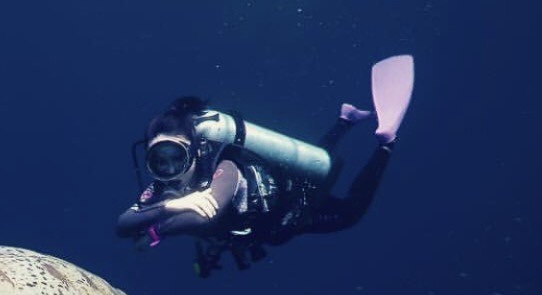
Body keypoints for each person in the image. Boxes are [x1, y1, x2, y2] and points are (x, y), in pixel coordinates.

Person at [116, 55, 415, 277]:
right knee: (318, 167)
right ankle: (345, 120)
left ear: (194, 151)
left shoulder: (226, 167)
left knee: (348, 212)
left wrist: (157, 227)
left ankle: (385, 142)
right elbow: (123, 224)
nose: (170, 168)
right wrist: (170, 207)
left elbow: (206, 216)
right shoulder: (163, 188)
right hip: (271, 217)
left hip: (293, 208)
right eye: (160, 161)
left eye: (175, 156)